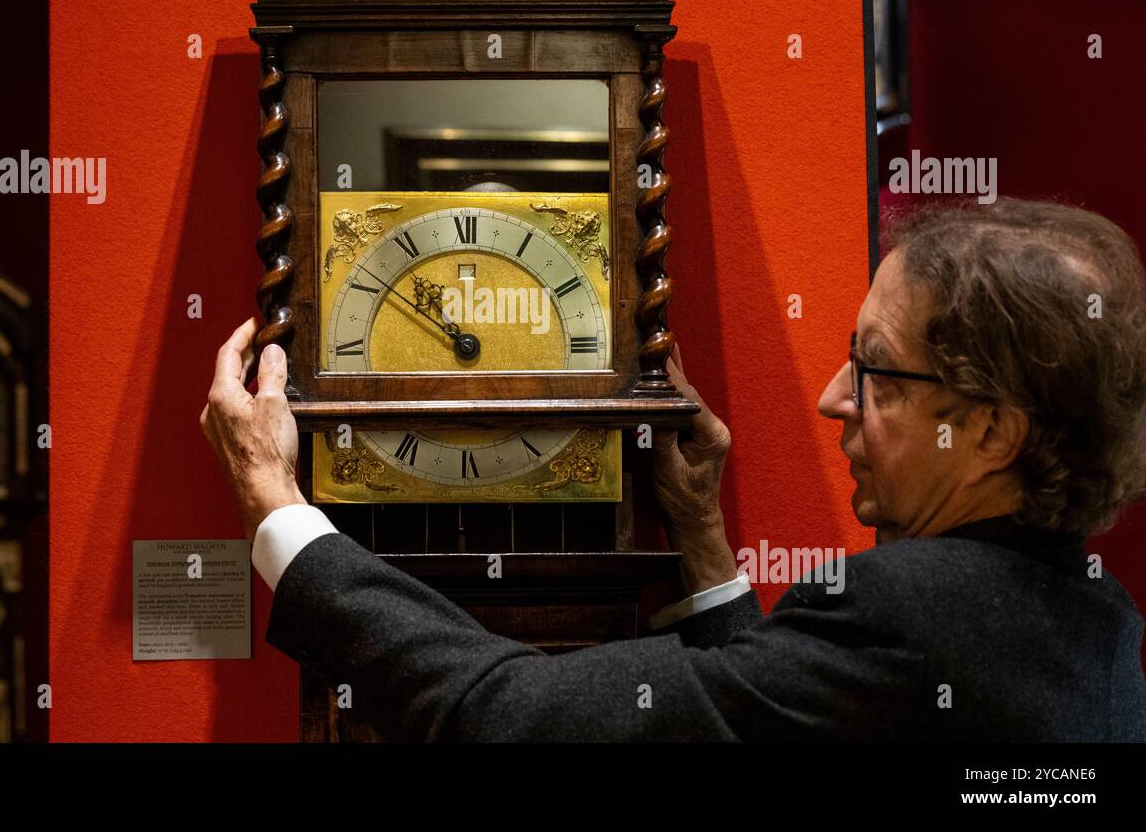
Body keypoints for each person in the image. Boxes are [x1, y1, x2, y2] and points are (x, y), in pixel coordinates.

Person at [200, 197, 1146, 740]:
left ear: (991, 433)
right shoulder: (1097, 620)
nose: (831, 398)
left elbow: (513, 720)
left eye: (877, 371)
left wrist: (279, 510)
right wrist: (701, 538)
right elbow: (777, 719)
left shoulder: (903, 614)